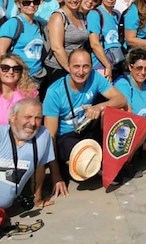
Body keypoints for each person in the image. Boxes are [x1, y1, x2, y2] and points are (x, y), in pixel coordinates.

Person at [43, 49, 126, 180]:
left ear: (91, 67)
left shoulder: (95, 76)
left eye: (85, 66)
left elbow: (121, 99)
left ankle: (112, 159)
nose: (80, 72)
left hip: (86, 127)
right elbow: (50, 137)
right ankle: (76, 165)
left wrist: (99, 107)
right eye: (76, 66)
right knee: (84, 160)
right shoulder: (54, 92)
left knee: (117, 113)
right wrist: (56, 176)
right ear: (68, 67)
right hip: (66, 136)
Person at [0, 99, 67, 212]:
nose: (33, 123)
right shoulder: (2, 134)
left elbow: (40, 166)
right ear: (12, 117)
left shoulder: (43, 136)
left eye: (38, 118)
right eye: (27, 117)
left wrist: (38, 198)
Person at [45, 0, 89, 91]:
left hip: (77, 69)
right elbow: (57, 48)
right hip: (59, 69)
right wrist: (71, 70)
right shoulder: (58, 17)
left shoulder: (81, 16)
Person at [0, 0, 45, 80]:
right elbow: (1, 53)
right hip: (19, 77)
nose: (32, 5)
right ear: (19, 4)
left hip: (37, 75)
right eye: (27, 3)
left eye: (35, 2)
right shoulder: (13, 24)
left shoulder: (38, 24)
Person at [87, 0, 122, 81]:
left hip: (117, 61)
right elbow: (94, 43)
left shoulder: (117, 14)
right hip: (102, 64)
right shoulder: (95, 14)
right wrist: (108, 65)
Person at [0, 55, 38, 125]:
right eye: (5, 68)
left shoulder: (30, 93)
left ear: (21, 73)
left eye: (16, 69)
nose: (11, 72)